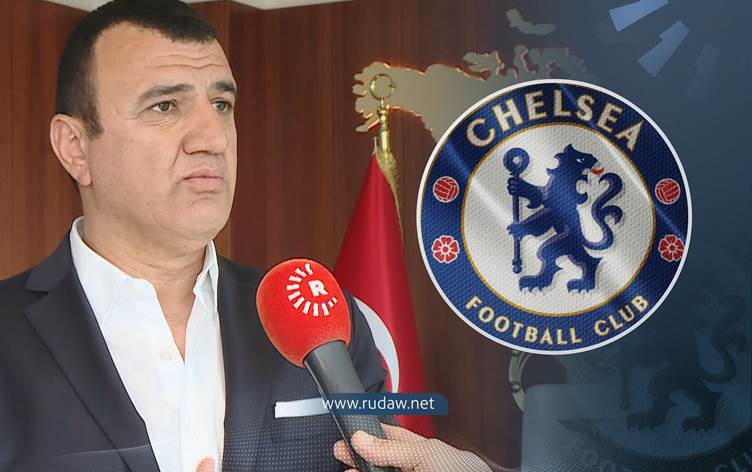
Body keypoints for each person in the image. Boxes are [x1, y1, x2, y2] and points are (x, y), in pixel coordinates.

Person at [0, 1, 511, 471]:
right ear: (75, 147)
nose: (212, 138)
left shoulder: (322, 325)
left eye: (222, 104)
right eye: (165, 106)